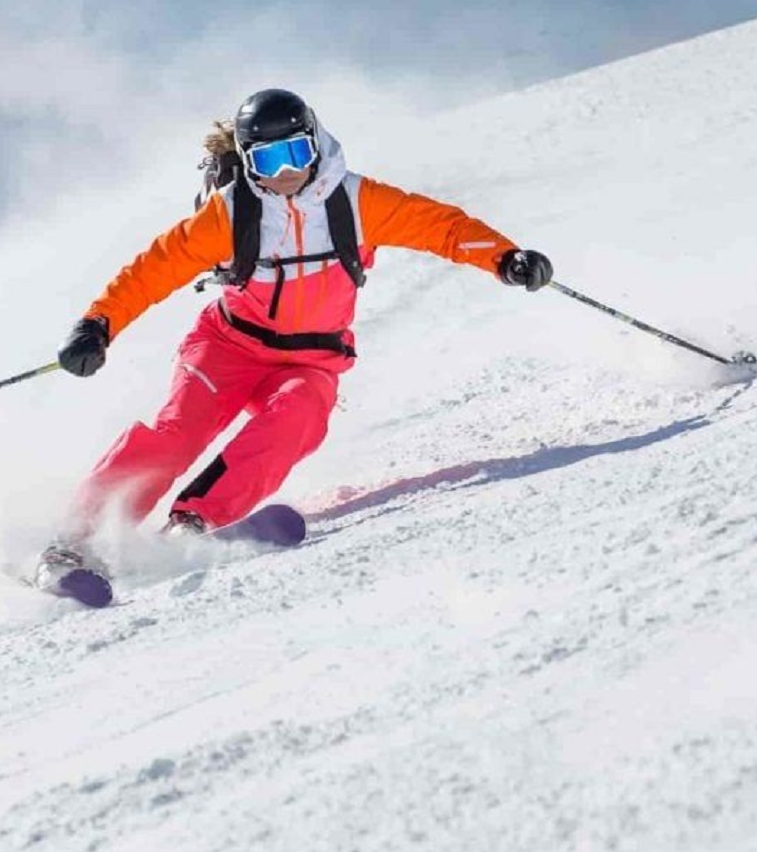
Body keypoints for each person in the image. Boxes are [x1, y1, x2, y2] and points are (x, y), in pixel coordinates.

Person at [41, 88, 552, 574]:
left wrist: (505, 258)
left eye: (296, 153)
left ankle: (194, 521)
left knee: (296, 418)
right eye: (268, 160)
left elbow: (441, 227)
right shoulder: (229, 214)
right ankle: (76, 541)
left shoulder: (356, 202)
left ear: (315, 143)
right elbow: (153, 270)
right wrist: (97, 325)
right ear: (248, 162)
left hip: (310, 361)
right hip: (227, 347)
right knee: (177, 434)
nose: (286, 171)